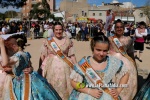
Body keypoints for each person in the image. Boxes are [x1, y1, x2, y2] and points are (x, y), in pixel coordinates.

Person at [1, 34, 61, 100]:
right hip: (27, 78)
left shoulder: (18, 55)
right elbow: (23, 66)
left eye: (10, 45)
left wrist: (1, 45)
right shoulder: (25, 53)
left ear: (14, 45)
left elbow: (5, 62)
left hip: (21, 82)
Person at [69, 35, 129, 100]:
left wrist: (118, 90)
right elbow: (73, 82)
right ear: (92, 48)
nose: (101, 53)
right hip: (86, 94)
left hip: (107, 95)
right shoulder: (84, 63)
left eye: (105, 51)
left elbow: (126, 74)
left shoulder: (113, 62)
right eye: (98, 50)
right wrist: (89, 91)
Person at [39, 21, 77, 100]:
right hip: (51, 68)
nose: (58, 31)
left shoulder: (68, 41)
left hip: (66, 68)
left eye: (60, 29)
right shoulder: (48, 41)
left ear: (63, 30)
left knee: (65, 87)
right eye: (56, 30)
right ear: (53, 30)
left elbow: (72, 55)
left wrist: (76, 67)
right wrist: (41, 68)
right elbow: (43, 55)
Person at [108, 20, 137, 100]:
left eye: (121, 27)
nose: (119, 29)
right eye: (117, 27)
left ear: (124, 29)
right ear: (114, 28)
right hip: (112, 61)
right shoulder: (110, 39)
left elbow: (130, 53)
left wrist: (134, 63)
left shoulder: (129, 39)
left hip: (126, 62)